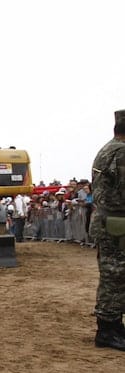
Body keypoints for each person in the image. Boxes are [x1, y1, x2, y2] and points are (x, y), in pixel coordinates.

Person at [89, 110, 125, 351]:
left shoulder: (108, 149)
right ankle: (108, 330)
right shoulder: (121, 152)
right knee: (116, 275)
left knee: (113, 274)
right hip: (116, 223)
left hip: (109, 222)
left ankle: (113, 326)